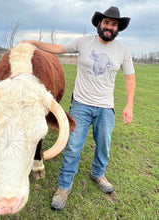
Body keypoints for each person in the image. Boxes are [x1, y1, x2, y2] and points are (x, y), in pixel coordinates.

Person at [24, 6, 136, 211]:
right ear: (99, 24)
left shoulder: (123, 50)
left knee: (104, 145)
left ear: (117, 28)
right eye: (106, 22)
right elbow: (58, 48)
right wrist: (33, 43)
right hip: (81, 105)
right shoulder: (83, 43)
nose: (109, 27)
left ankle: (98, 174)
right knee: (73, 146)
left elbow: (129, 77)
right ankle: (64, 187)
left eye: (114, 24)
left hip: (106, 107)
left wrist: (129, 105)